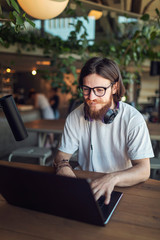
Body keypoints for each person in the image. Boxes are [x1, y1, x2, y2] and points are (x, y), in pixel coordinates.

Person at [53, 57, 154, 205]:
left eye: (99, 90)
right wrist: (63, 167)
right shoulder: (75, 116)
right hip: (85, 186)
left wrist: (112, 177)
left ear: (114, 88)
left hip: (121, 187)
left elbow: (144, 170)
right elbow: (62, 155)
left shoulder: (133, 119)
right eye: (86, 90)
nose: (91, 98)